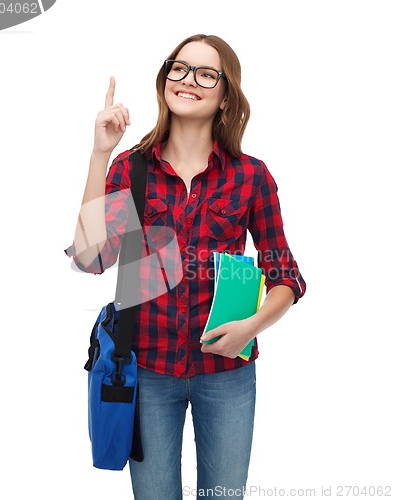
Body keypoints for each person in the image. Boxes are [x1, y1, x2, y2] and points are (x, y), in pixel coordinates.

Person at [65, 34, 306, 500]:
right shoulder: (131, 168)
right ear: (165, 80)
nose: (188, 80)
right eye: (179, 68)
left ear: (224, 95)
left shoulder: (251, 176)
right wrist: (100, 153)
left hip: (227, 376)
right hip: (148, 370)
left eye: (205, 73)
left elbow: (285, 276)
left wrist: (251, 327)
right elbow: (91, 256)